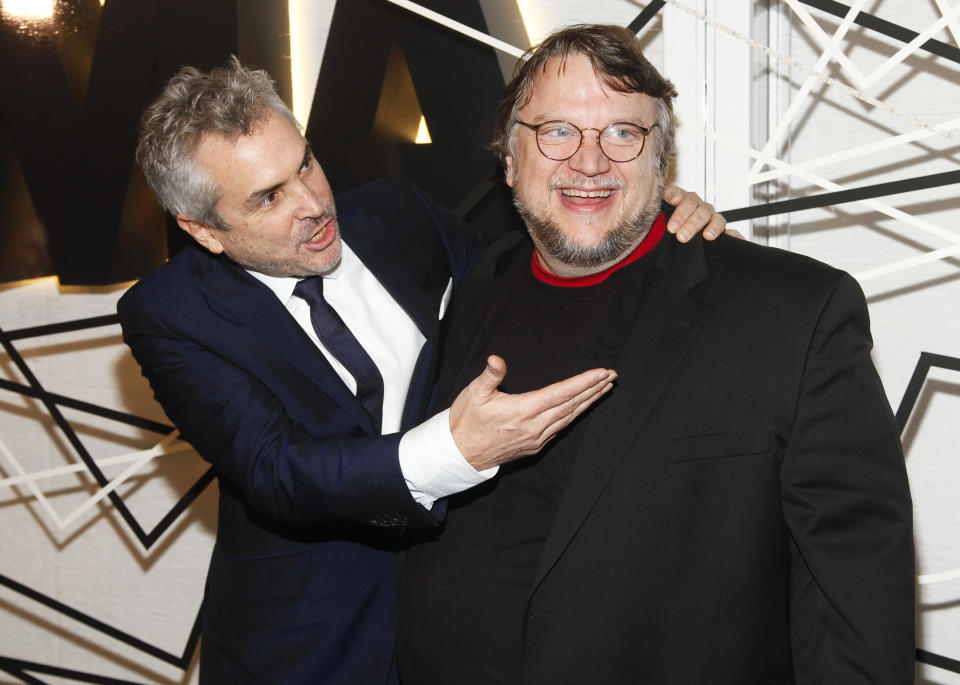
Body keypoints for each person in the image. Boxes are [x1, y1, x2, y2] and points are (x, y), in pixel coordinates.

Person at [117, 57, 723, 683]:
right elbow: (277, 469)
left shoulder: (398, 214)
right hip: (306, 642)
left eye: (305, 164)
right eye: (269, 197)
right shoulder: (169, 314)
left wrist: (645, 213)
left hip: (463, 620)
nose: (314, 205)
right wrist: (454, 449)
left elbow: (525, 270)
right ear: (203, 230)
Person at [397, 24, 915, 685]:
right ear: (508, 158)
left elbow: (859, 603)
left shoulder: (792, 315)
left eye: (622, 133)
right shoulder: (466, 290)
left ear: (659, 158)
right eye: (557, 131)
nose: (589, 161)